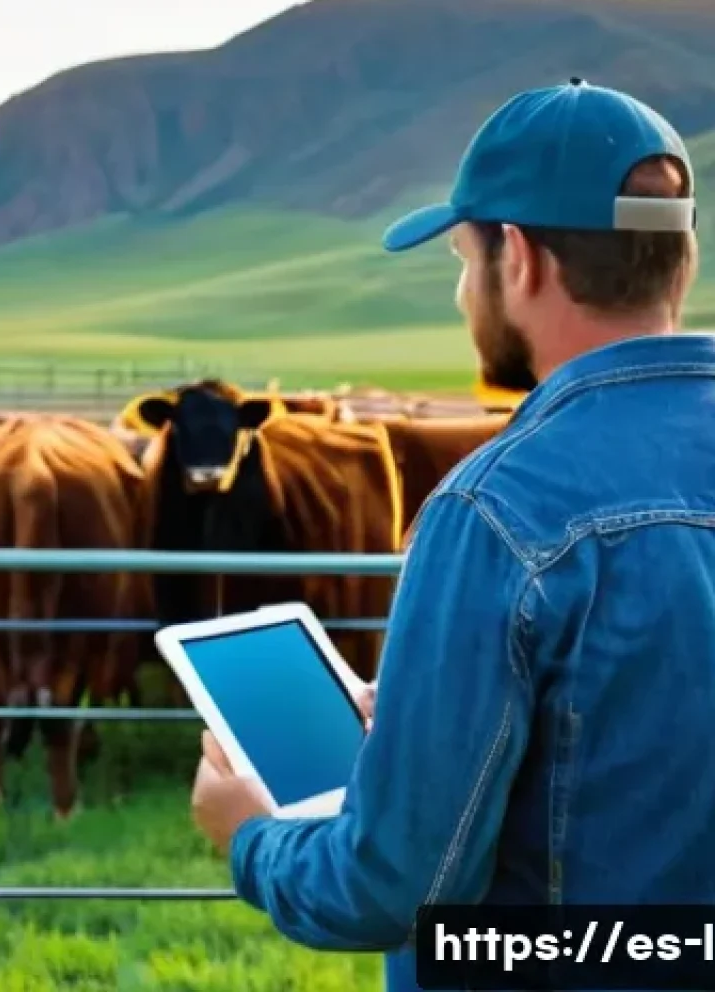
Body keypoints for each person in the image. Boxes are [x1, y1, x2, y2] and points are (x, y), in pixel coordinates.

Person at [189, 77, 706, 985]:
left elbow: (390, 889)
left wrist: (251, 838)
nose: (464, 294)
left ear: (522, 259)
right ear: (683, 258)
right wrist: (428, 709)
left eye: (464, 260)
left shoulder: (498, 514)